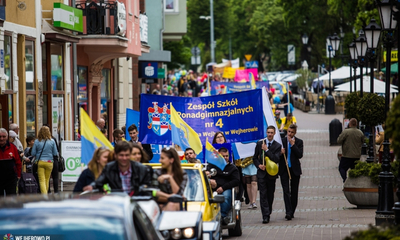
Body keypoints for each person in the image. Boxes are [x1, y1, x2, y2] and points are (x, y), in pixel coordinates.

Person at [83, 141, 153, 195]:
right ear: (115, 155)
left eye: (127, 155)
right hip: (117, 203)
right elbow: (99, 182)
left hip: (137, 203)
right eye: (121, 155)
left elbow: (148, 188)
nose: (124, 158)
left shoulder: (142, 169)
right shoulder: (109, 168)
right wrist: (91, 187)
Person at [253, 125, 282, 224]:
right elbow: (254, 158)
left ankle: (268, 211)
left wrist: (267, 150)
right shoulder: (260, 143)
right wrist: (259, 165)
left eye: (271, 133)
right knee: (263, 194)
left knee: (270, 194)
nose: (269, 134)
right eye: (268, 132)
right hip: (261, 174)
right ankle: (265, 215)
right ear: (266, 133)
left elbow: (276, 159)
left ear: (274, 134)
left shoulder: (277, 146)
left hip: (271, 174)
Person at [207, 147, 240, 223]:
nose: (225, 158)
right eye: (223, 156)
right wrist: (208, 177)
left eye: (227, 156)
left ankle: (222, 217)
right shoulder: (211, 166)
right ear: (219, 156)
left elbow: (236, 181)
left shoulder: (232, 168)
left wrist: (223, 187)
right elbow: (205, 176)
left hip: (226, 188)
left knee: (226, 197)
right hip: (212, 188)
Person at [279, 124, 303, 220]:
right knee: (286, 191)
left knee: (294, 192)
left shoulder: (299, 142)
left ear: (295, 133)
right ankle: (288, 212)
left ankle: (292, 210)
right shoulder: (282, 142)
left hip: (294, 169)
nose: (290, 134)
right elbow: (276, 154)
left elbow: (300, 155)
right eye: (289, 131)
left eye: (292, 132)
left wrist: (293, 145)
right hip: (284, 169)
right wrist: (280, 153)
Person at [31, 126, 58, 194]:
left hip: (40, 162)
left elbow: (33, 153)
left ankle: (44, 195)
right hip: (49, 162)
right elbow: (55, 153)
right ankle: (46, 194)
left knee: (41, 180)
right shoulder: (52, 141)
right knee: (47, 179)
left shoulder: (37, 141)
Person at [337, 118, 364, 182]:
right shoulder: (360, 132)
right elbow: (362, 141)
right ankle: (354, 183)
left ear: (349, 124)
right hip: (356, 155)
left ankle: (345, 180)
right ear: (356, 124)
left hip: (347, 155)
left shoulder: (346, 132)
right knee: (354, 169)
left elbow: (339, 141)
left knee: (342, 168)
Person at [0, 128, 22, 196]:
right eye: (0, 137)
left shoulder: (12, 147)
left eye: (4, 136)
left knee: (11, 198)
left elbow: (18, 162)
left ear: (7, 137)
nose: (2, 139)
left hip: (11, 178)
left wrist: (18, 175)